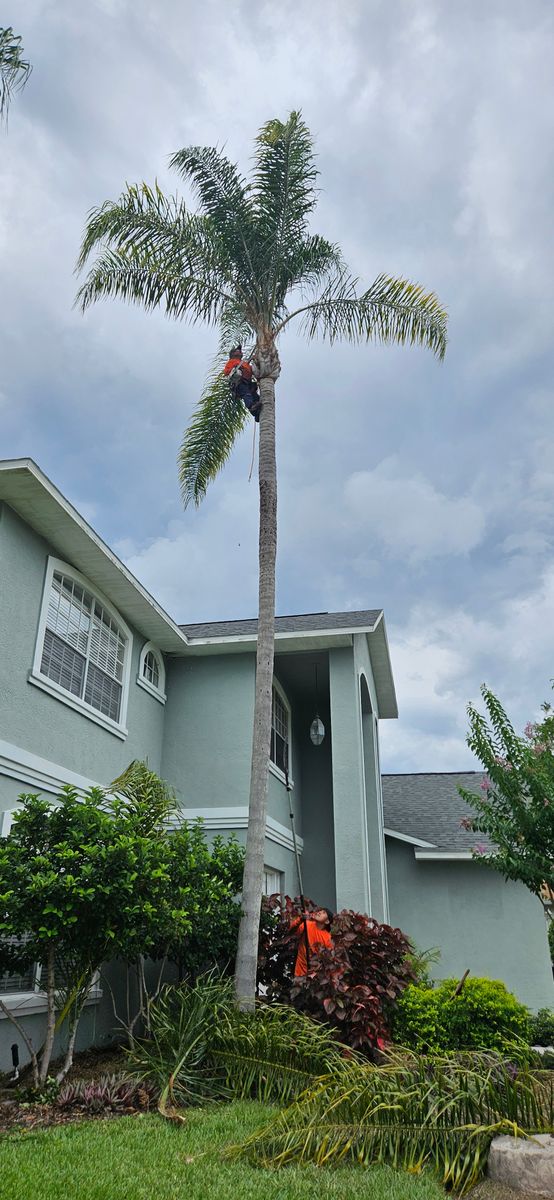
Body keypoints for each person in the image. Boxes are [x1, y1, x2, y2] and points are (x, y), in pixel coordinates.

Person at [292, 906, 333, 977]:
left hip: (315, 975)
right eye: (320, 911)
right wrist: (300, 919)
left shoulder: (328, 938)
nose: (319, 912)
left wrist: (316, 973)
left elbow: (328, 960)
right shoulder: (307, 924)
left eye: (323, 913)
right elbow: (292, 931)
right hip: (299, 972)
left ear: (327, 921)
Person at [223, 345, 261, 420]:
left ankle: (257, 415)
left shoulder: (245, 364)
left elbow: (253, 371)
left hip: (248, 383)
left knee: (255, 397)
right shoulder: (231, 361)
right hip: (239, 383)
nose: (240, 351)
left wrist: (255, 361)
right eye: (238, 350)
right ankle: (251, 407)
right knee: (246, 394)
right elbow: (226, 372)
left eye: (240, 350)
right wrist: (234, 367)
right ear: (233, 354)